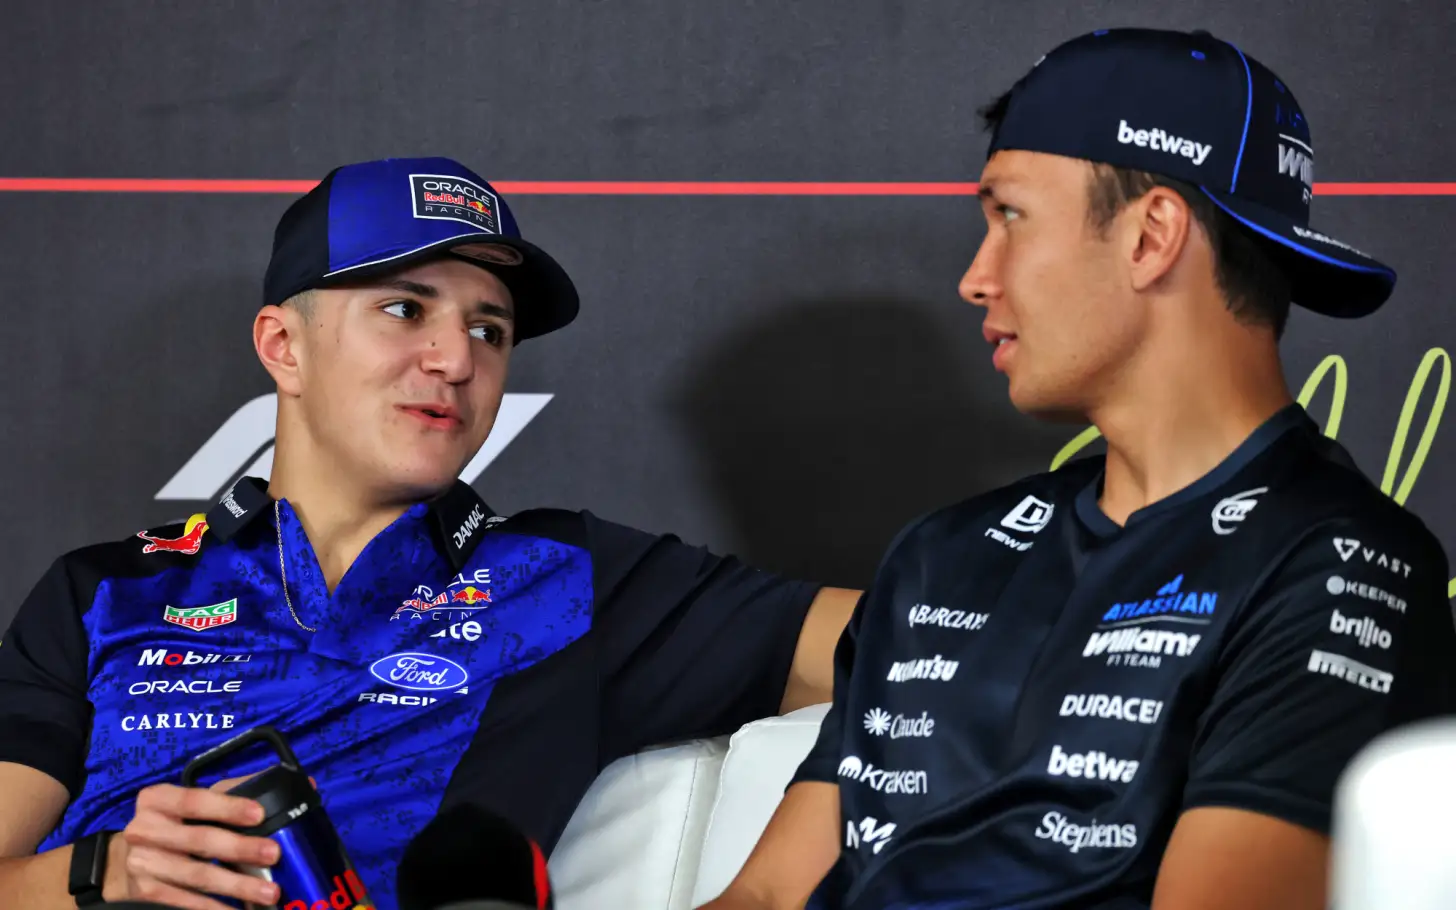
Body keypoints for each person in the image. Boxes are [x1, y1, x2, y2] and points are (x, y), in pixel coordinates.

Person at [704, 27, 1456, 910]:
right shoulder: (942, 554)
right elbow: (764, 896)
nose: (976, 278)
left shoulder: (1339, 567)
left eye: (1011, 217)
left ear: (1150, 237)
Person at [0, 157, 859, 910]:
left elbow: (912, 643)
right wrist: (107, 870)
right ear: (284, 346)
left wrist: (762, 894)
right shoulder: (106, 590)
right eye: (406, 310)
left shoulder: (566, 576)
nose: (456, 360)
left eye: (489, 330)